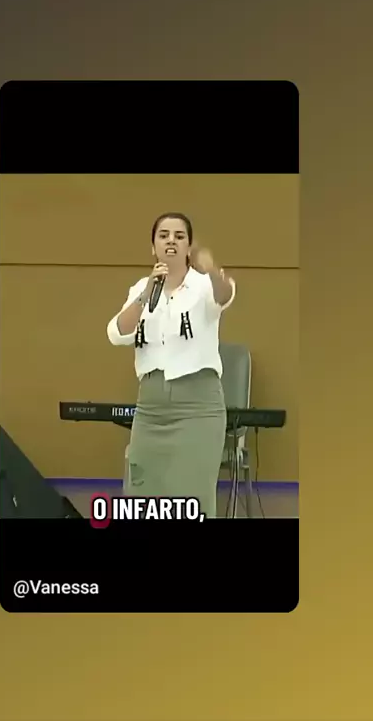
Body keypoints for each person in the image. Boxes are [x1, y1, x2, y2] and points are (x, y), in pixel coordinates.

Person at [106, 212, 236, 518]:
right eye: (163, 235)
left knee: (193, 500)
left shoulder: (203, 284)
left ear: (189, 246)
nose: (171, 241)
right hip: (151, 409)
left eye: (179, 236)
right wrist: (145, 294)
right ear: (153, 247)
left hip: (198, 408)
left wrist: (211, 269)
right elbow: (117, 333)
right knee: (142, 496)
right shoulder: (141, 288)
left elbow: (226, 295)